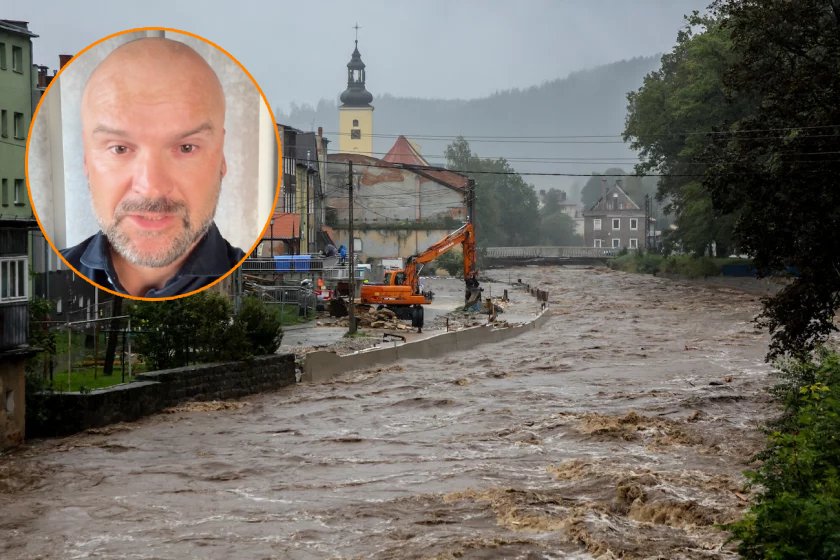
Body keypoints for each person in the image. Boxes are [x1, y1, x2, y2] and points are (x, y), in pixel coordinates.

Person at [60, 38, 244, 298]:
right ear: (87, 160)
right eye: (120, 149)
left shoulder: (239, 275)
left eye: (186, 148)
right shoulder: (59, 274)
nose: (151, 188)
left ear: (221, 157)